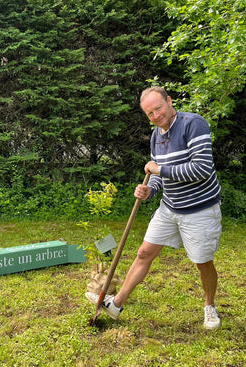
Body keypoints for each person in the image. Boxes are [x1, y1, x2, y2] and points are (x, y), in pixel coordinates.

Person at [86, 86, 222, 329]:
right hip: (170, 208)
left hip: (199, 209)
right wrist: (151, 189)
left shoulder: (194, 124)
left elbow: (201, 169)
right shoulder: (156, 136)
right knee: (144, 253)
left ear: (169, 102)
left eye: (158, 108)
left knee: (203, 262)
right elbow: (159, 173)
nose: (155, 115)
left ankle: (209, 306)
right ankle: (117, 303)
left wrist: (159, 170)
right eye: (149, 113)